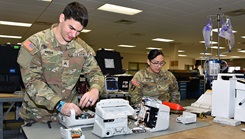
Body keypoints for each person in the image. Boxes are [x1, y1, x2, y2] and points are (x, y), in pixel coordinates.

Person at [17, 2, 104, 123]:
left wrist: (95, 89)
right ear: (62, 18)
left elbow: (95, 73)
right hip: (37, 117)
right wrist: (59, 105)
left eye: (79, 31)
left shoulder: (82, 48)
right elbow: (32, 81)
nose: (74, 35)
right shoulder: (34, 44)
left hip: (70, 117)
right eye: (71, 28)